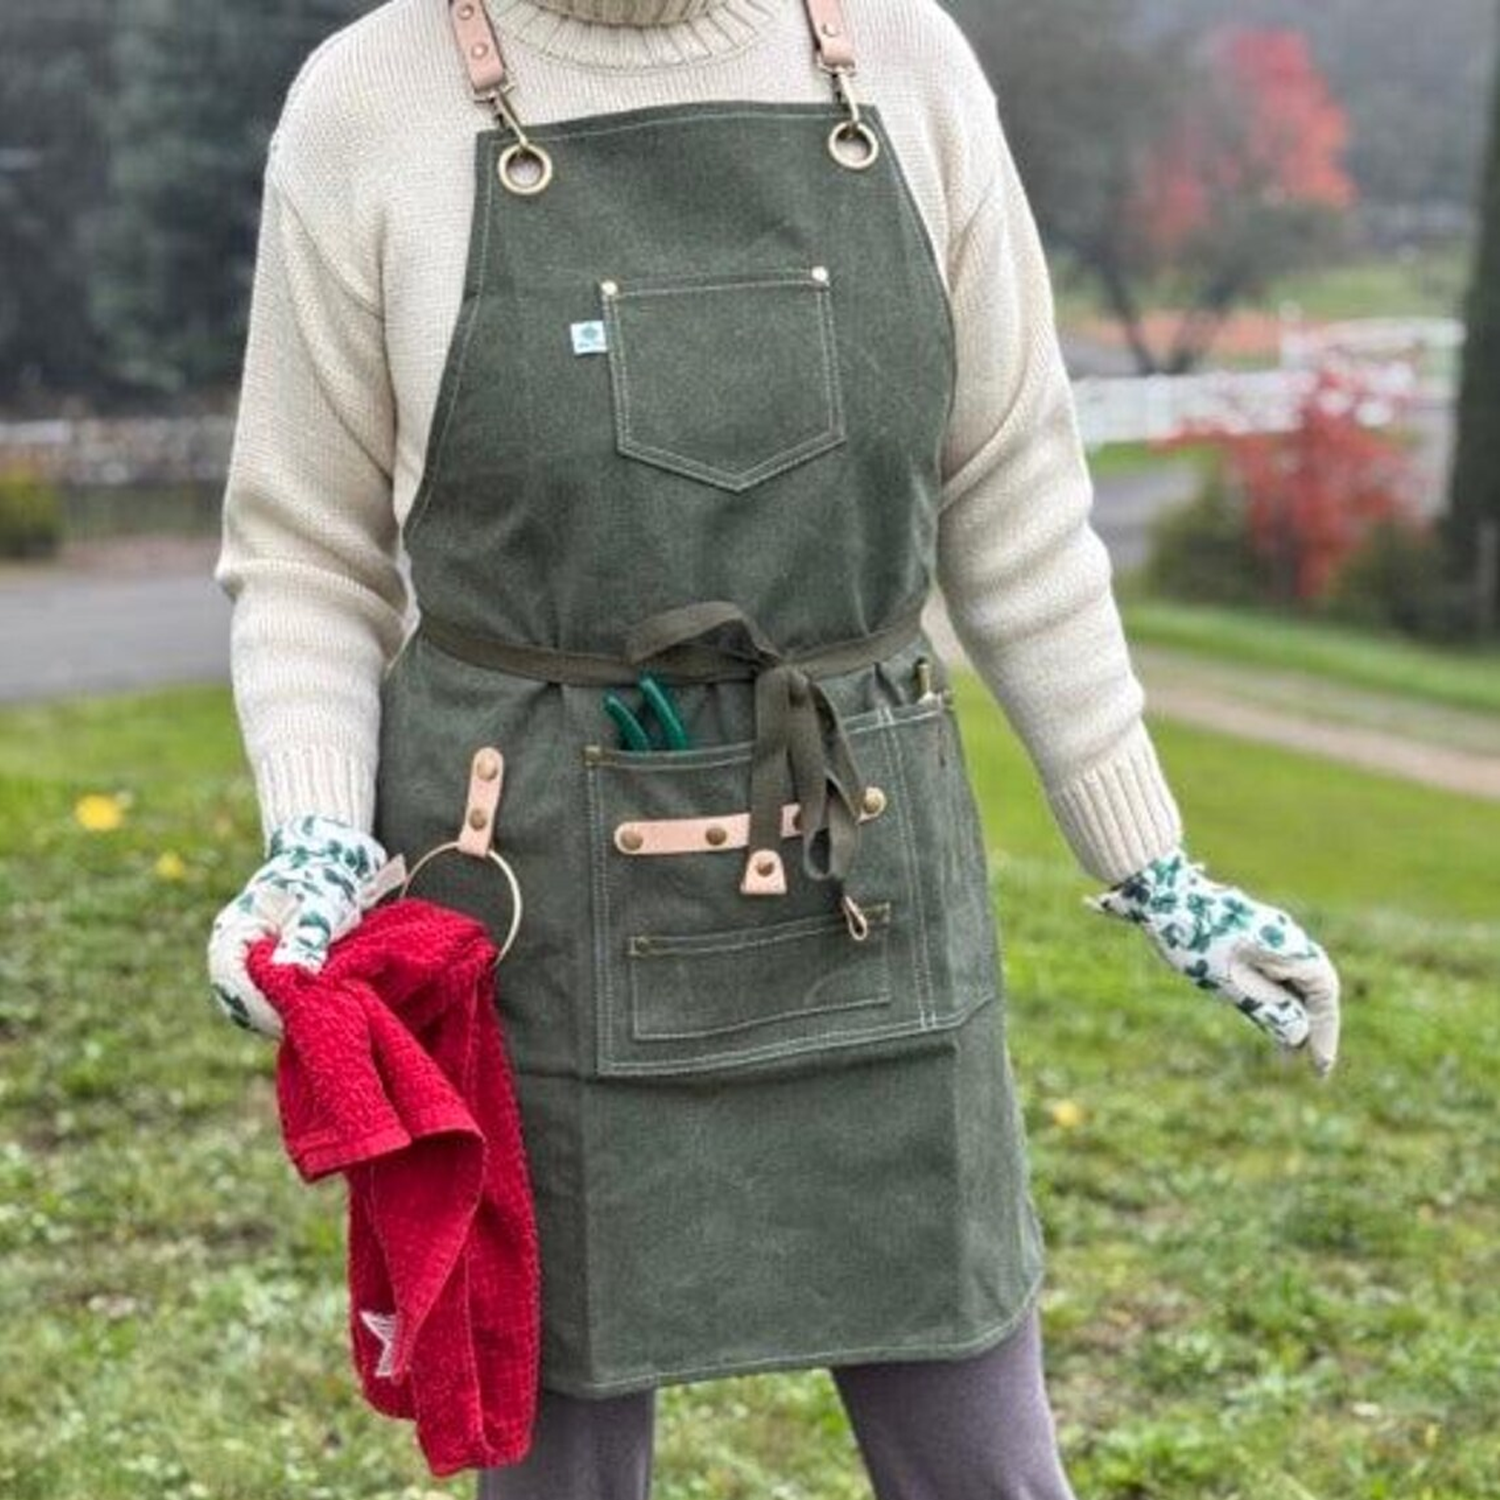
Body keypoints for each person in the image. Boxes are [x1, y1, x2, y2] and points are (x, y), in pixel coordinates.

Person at [207, 1, 1342, 1496]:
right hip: (524, 881)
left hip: (861, 856)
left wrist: (1155, 865)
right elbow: (306, 548)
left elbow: (1010, 496)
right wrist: (312, 838)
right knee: (558, 1456)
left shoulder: (901, 60)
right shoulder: (370, 102)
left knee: (982, 1457)